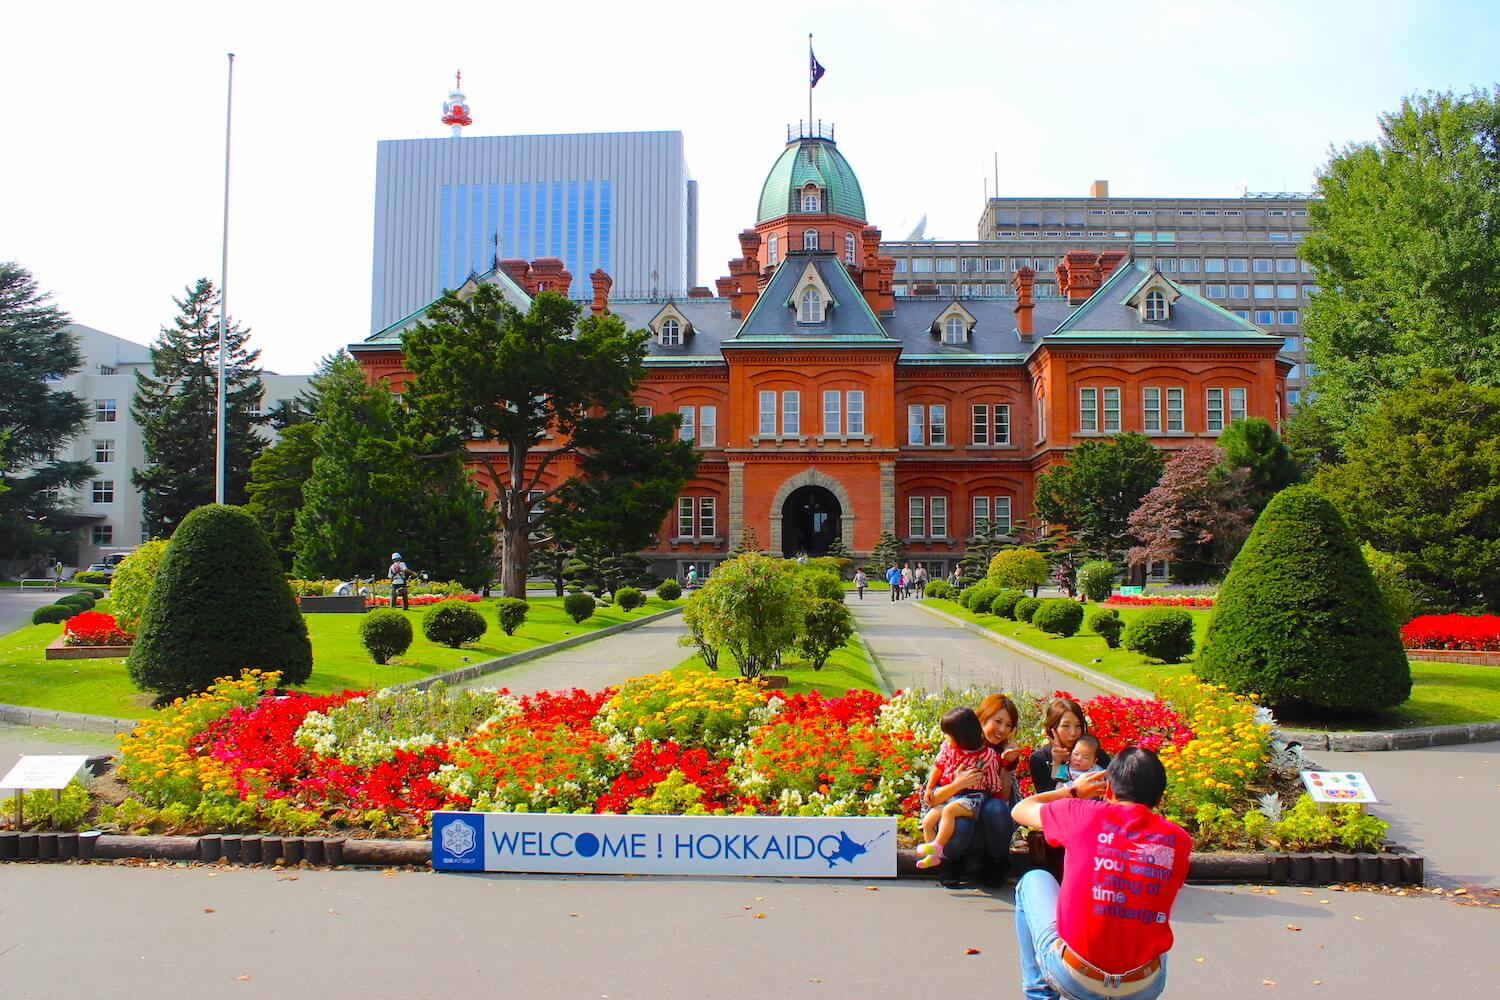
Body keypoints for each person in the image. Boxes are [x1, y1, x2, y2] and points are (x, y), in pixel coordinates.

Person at [1011, 748, 1191, 1000]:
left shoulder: (1081, 814)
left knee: (1033, 880)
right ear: (1158, 800)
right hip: (1143, 985)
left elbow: (1020, 809)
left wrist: (1072, 790)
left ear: (1108, 791)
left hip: (1075, 978)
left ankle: (1040, 995)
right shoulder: (1178, 840)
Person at [939, 693, 1023, 886]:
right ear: (981, 718)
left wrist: (1006, 765)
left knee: (996, 809)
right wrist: (957, 784)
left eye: (1009, 725)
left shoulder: (1005, 750)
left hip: (988, 827)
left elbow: (1002, 798)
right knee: (963, 823)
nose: (1002, 730)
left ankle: (997, 864)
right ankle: (950, 861)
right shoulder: (955, 745)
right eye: (998, 721)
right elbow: (932, 796)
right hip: (955, 819)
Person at [914, 708, 1006, 870]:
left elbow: (993, 781)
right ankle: (933, 856)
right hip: (951, 796)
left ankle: (938, 846)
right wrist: (929, 788)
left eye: (950, 735)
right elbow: (938, 766)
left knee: (949, 811)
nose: (947, 738)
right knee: (929, 820)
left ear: (962, 735)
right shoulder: (948, 749)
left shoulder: (986, 755)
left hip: (973, 797)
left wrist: (995, 793)